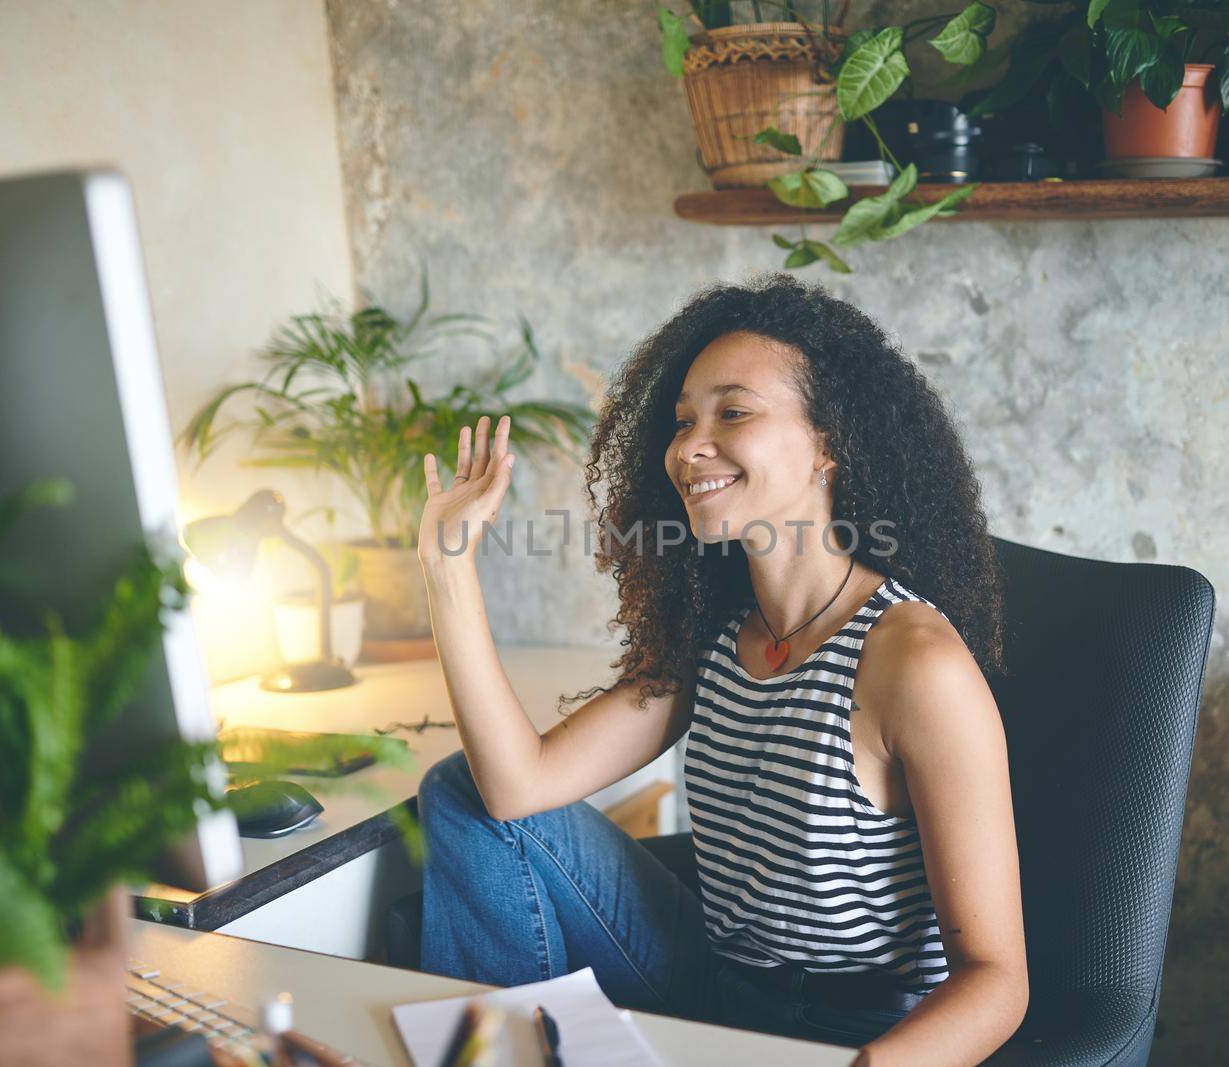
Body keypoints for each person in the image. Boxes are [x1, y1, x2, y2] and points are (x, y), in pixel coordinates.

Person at [414, 274, 1027, 1066]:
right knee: (460, 790)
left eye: (733, 412)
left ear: (829, 441)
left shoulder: (913, 661)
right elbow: (515, 786)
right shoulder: (718, 635)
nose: (687, 447)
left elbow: (997, 980)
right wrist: (447, 566)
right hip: (716, 988)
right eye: (681, 421)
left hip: (854, 1032)